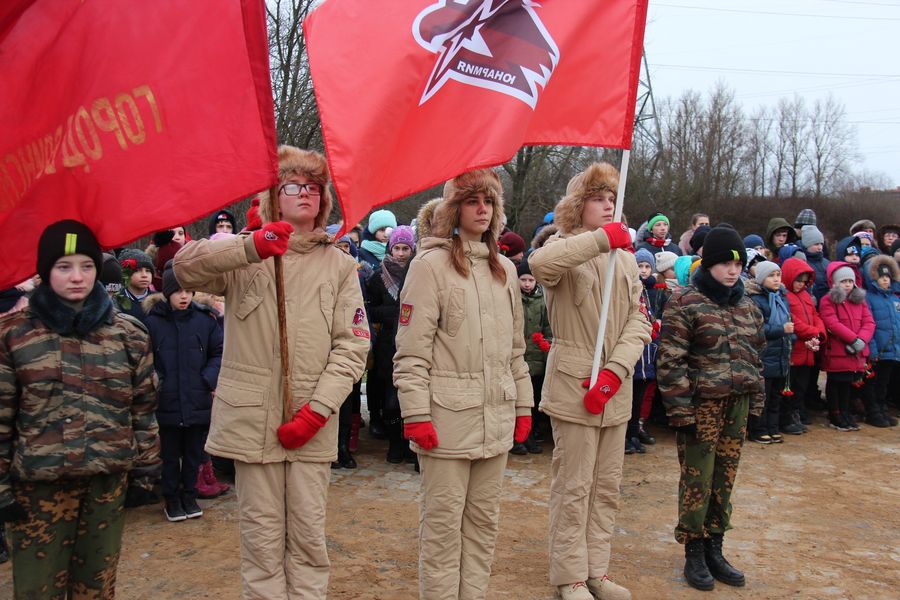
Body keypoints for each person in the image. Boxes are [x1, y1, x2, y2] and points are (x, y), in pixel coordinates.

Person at [173, 146, 369, 599]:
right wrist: (250, 245)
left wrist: (317, 412)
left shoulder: (340, 265)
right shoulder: (243, 255)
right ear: (272, 197)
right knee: (260, 542)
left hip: (311, 425)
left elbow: (353, 345)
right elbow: (182, 269)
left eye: (314, 188)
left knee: (307, 540)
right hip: (250, 422)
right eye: (293, 186)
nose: (306, 194)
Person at [0, 220, 160, 598]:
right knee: (37, 590)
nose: (77, 277)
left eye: (87, 266)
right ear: (45, 271)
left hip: (105, 486)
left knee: (97, 589)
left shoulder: (128, 334)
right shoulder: (13, 335)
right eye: (64, 267)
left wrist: (148, 469)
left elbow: (143, 408)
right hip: (37, 493)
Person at [393, 169, 533, 600]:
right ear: (454, 209)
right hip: (447, 421)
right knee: (442, 526)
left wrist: (524, 406)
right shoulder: (429, 266)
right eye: (472, 201)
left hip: (497, 418)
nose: (482, 209)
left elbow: (515, 349)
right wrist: (416, 413)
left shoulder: (506, 269)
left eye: (488, 202)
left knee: (483, 524)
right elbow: (411, 352)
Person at [529, 162, 649, 600]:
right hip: (574, 384)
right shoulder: (563, 248)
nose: (606, 205)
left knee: (606, 487)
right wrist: (600, 239)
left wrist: (616, 372)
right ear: (578, 206)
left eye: (612, 199)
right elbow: (540, 264)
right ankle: (569, 576)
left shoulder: (627, 261)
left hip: (615, 389)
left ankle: (596, 569)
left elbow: (640, 320)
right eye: (598, 198)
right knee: (573, 487)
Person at [656, 225, 765, 591]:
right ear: (709, 263)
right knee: (697, 480)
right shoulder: (685, 301)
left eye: (737, 263)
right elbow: (670, 361)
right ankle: (694, 550)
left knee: (725, 478)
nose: (732, 270)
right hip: (701, 406)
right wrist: (680, 412)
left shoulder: (747, 303)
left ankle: (716, 546)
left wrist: (756, 404)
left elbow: (756, 356)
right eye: (724, 263)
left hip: (738, 403)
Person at [144, 260, 224, 521]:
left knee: (193, 454)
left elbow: (218, 352)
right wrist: (158, 382)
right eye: (178, 291)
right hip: (166, 400)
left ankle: (189, 496)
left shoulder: (205, 320)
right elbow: (145, 359)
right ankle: (171, 499)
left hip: (197, 397)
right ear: (167, 292)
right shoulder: (153, 323)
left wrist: (206, 379)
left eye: (188, 291)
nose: (184, 296)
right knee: (169, 455)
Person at [366, 224, 416, 464]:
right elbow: (370, 310)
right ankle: (395, 444)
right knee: (391, 401)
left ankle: (410, 445)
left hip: (412, 343)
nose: (400, 253)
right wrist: (392, 313)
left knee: (410, 399)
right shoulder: (378, 276)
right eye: (396, 247)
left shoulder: (418, 272)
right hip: (388, 344)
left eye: (405, 248)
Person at [819, 262, 875, 431]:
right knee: (836, 382)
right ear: (836, 283)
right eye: (844, 281)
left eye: (850, 281)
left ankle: (845, 412)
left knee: (848, 383)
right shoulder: (828, 300)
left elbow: (869, 322)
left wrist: (861, 340)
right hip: (838, 349)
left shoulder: (859, 301)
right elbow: (832, 323)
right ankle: (835, 413)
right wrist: (852, 339)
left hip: (856, 350)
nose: (848, 285)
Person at [746, 261, 795, 443]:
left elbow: (789, 323)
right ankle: (758, 428)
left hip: (781, 354)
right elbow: (757, 329)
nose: (776, 279)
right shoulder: (755, 300)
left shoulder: (781, 297)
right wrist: (782, 329)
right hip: (765, 355)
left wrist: (793, 337)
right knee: (762, 397)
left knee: (776, 396)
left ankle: (773, 427)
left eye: (778, 275)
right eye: (771, 276)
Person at [781, 258, 826, 431]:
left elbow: (816, 315)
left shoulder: (806, 295)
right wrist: (813, 332)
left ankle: (796, 412)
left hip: (808, 349)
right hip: (794, 350)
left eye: (804, 281)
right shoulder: (784, 296)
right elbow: (793, 321)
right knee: (789, 386)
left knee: (801, 386)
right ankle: (786, 417)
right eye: (798, 280)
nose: (801, 284)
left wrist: (819, 333)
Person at [515, 257, 552, 455]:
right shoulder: (513, 299)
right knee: (520, 401)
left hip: (537, 359)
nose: (527, 284)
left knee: (535, 399)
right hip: (519, 359)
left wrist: (547, 344)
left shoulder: (543, 301)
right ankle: (518, 439)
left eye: (530, 280)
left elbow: (548, 327)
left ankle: (531, 435)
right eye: (523, 280)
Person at [862, 255, 899, 427]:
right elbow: (870, 325)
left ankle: (882, 409)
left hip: (892, 349)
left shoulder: (894, 299)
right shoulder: (869, 298)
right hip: (878, 350)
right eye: (882, 278)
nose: (886, 281)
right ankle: (872, 411)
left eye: (888, 278)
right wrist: (873, 349)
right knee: (873, 383)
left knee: (884, 383)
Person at [115, 247, 155, 323]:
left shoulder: (158, 300)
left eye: (148, 271)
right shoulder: (117, 300)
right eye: (137, 270)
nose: (144, 275)